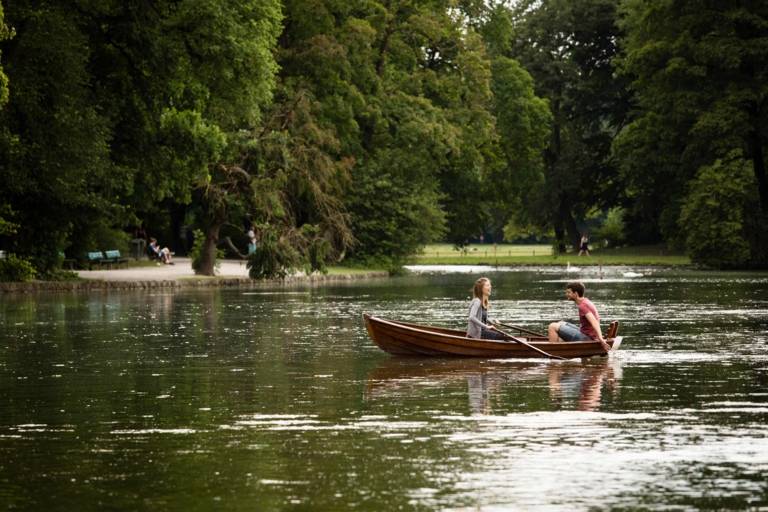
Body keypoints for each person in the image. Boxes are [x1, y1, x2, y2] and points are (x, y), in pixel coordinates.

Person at [547, 281, 610, 352]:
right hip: (587, 334)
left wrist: (601, 339)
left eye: (569, 292)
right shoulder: (585, 301)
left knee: (552, 326)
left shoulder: (583, 306)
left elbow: (594, 322)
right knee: (561, 323)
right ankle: (560, 344)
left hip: (587, 338)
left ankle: (552, 351)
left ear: (576, 294)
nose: (566, 294)